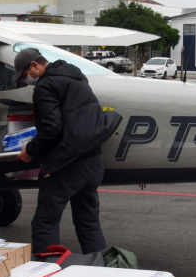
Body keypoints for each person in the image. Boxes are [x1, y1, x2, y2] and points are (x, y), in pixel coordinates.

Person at [14, 47, 122, 254]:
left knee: (45, 222)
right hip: (92, 161)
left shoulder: (45, 86)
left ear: (35, 65)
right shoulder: (76, 76)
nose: (26, 80)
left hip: (66, 164)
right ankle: (100, 267)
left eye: (25, 74)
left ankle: (47, 268)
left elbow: (51, 128)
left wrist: (30, 150)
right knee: (88, 222)